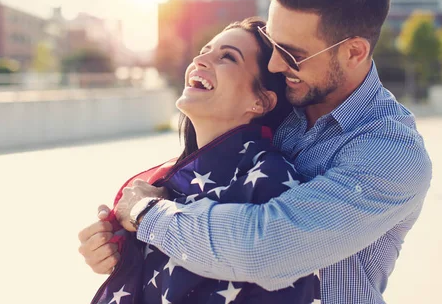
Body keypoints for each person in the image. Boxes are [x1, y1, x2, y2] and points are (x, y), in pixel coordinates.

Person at [79, 0, 432, 304]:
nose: (276, 64)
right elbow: (209, 184)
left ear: (353, 52)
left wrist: (147, 215)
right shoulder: (286, 104)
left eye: (293, 53)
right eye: (274, 45)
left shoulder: (391, 152)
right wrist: (122, 246)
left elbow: (263, 247)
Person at [87, 18, 322, 304]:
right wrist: (114, 250)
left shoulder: (272, 181)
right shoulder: (163, 183)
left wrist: (142, 213)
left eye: (227, 57)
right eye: (204, 50)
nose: (200, 58)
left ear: (260, 102)